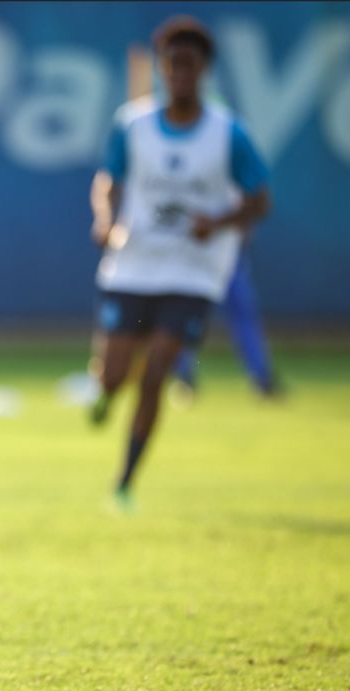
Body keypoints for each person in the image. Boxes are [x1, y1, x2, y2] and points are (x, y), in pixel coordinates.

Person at [88, 16, 270, 509]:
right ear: (163, 69)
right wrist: (105, 218)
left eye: (190, 66)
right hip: (135, 262)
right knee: (114, 375)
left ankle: (124, 482)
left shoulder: (228, 132)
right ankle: (105, 392)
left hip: (194, 269)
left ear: (204, 70)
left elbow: (260, 200)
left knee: (157, 376)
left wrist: (221, 219)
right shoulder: (134, 123)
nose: (181, 75)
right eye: (173, 65)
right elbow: (109, 178)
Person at [172, 248, 283, 398]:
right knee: (185, 317)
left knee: (243, 314)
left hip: (228, 255)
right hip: (195, 260)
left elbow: (245, 226)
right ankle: (183, 377)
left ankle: (262, 378)